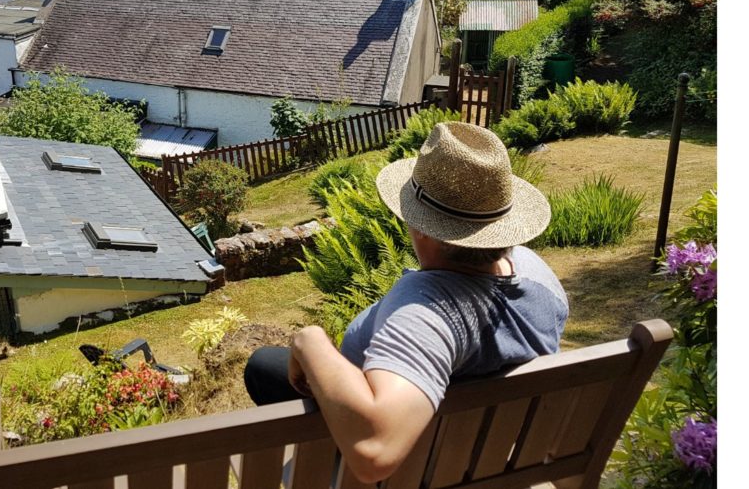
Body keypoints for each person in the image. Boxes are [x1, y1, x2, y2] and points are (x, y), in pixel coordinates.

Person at [243, 122, 568, 483]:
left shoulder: (427, 311)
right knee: (263, 367)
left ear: (422, 226)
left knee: (264, 372)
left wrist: (310, 340)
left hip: (414, 471)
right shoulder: (539, 276)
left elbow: (375, 451)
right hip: (481, 453)